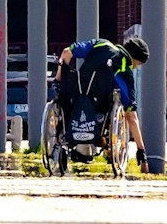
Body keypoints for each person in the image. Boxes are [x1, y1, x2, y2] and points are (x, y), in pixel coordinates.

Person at [53, 36, 150, 166]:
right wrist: (141, 149)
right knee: (108, 106)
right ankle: (98, 148)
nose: (135, 68)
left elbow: (66, 52)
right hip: (99, 109)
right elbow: (131, 115)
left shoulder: (101, 44)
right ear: (134, 60)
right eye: (137, 65)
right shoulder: (124, 68)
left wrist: (59, 79)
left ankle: (70, 146)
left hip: (75, 98)